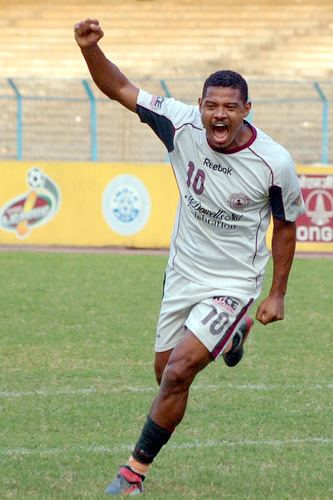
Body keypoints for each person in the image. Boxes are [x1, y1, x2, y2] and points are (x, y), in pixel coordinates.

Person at [74, 18, 305, 496]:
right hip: (182, 274)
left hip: (234, 283)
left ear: (247, 110)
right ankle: (232, 338)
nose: (219, 116)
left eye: (230, 107)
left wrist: (277, 293)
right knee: (164, 374)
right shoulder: (179, 124)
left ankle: (133, 471)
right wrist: (90, 49)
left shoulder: (274, 163)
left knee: (180, 371)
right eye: (211, 106)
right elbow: (119, 87)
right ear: (200, 106)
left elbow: (285, 226)